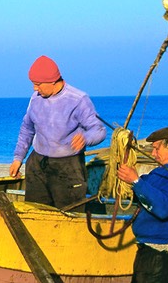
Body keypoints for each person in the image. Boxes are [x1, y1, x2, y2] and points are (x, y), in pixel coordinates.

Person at [10, 55, 106, 210]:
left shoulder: (78, 99)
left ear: (52, 81)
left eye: (38, 84)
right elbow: (27, 129)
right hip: (38, 164)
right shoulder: (35, 98)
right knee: (35, 212)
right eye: (34, 84)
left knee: (70, 214)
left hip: (68, 166)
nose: (35, 89)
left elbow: (99, 130)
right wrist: (18, 158)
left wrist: (85, 138)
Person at [117, 126, 168, 283]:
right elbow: (148, 190)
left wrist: (136, 180)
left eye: (156, 148)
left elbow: (164, 208)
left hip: (159, 256)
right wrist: (132, 181)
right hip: (152, 253)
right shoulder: (164, 172)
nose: (153, 154)